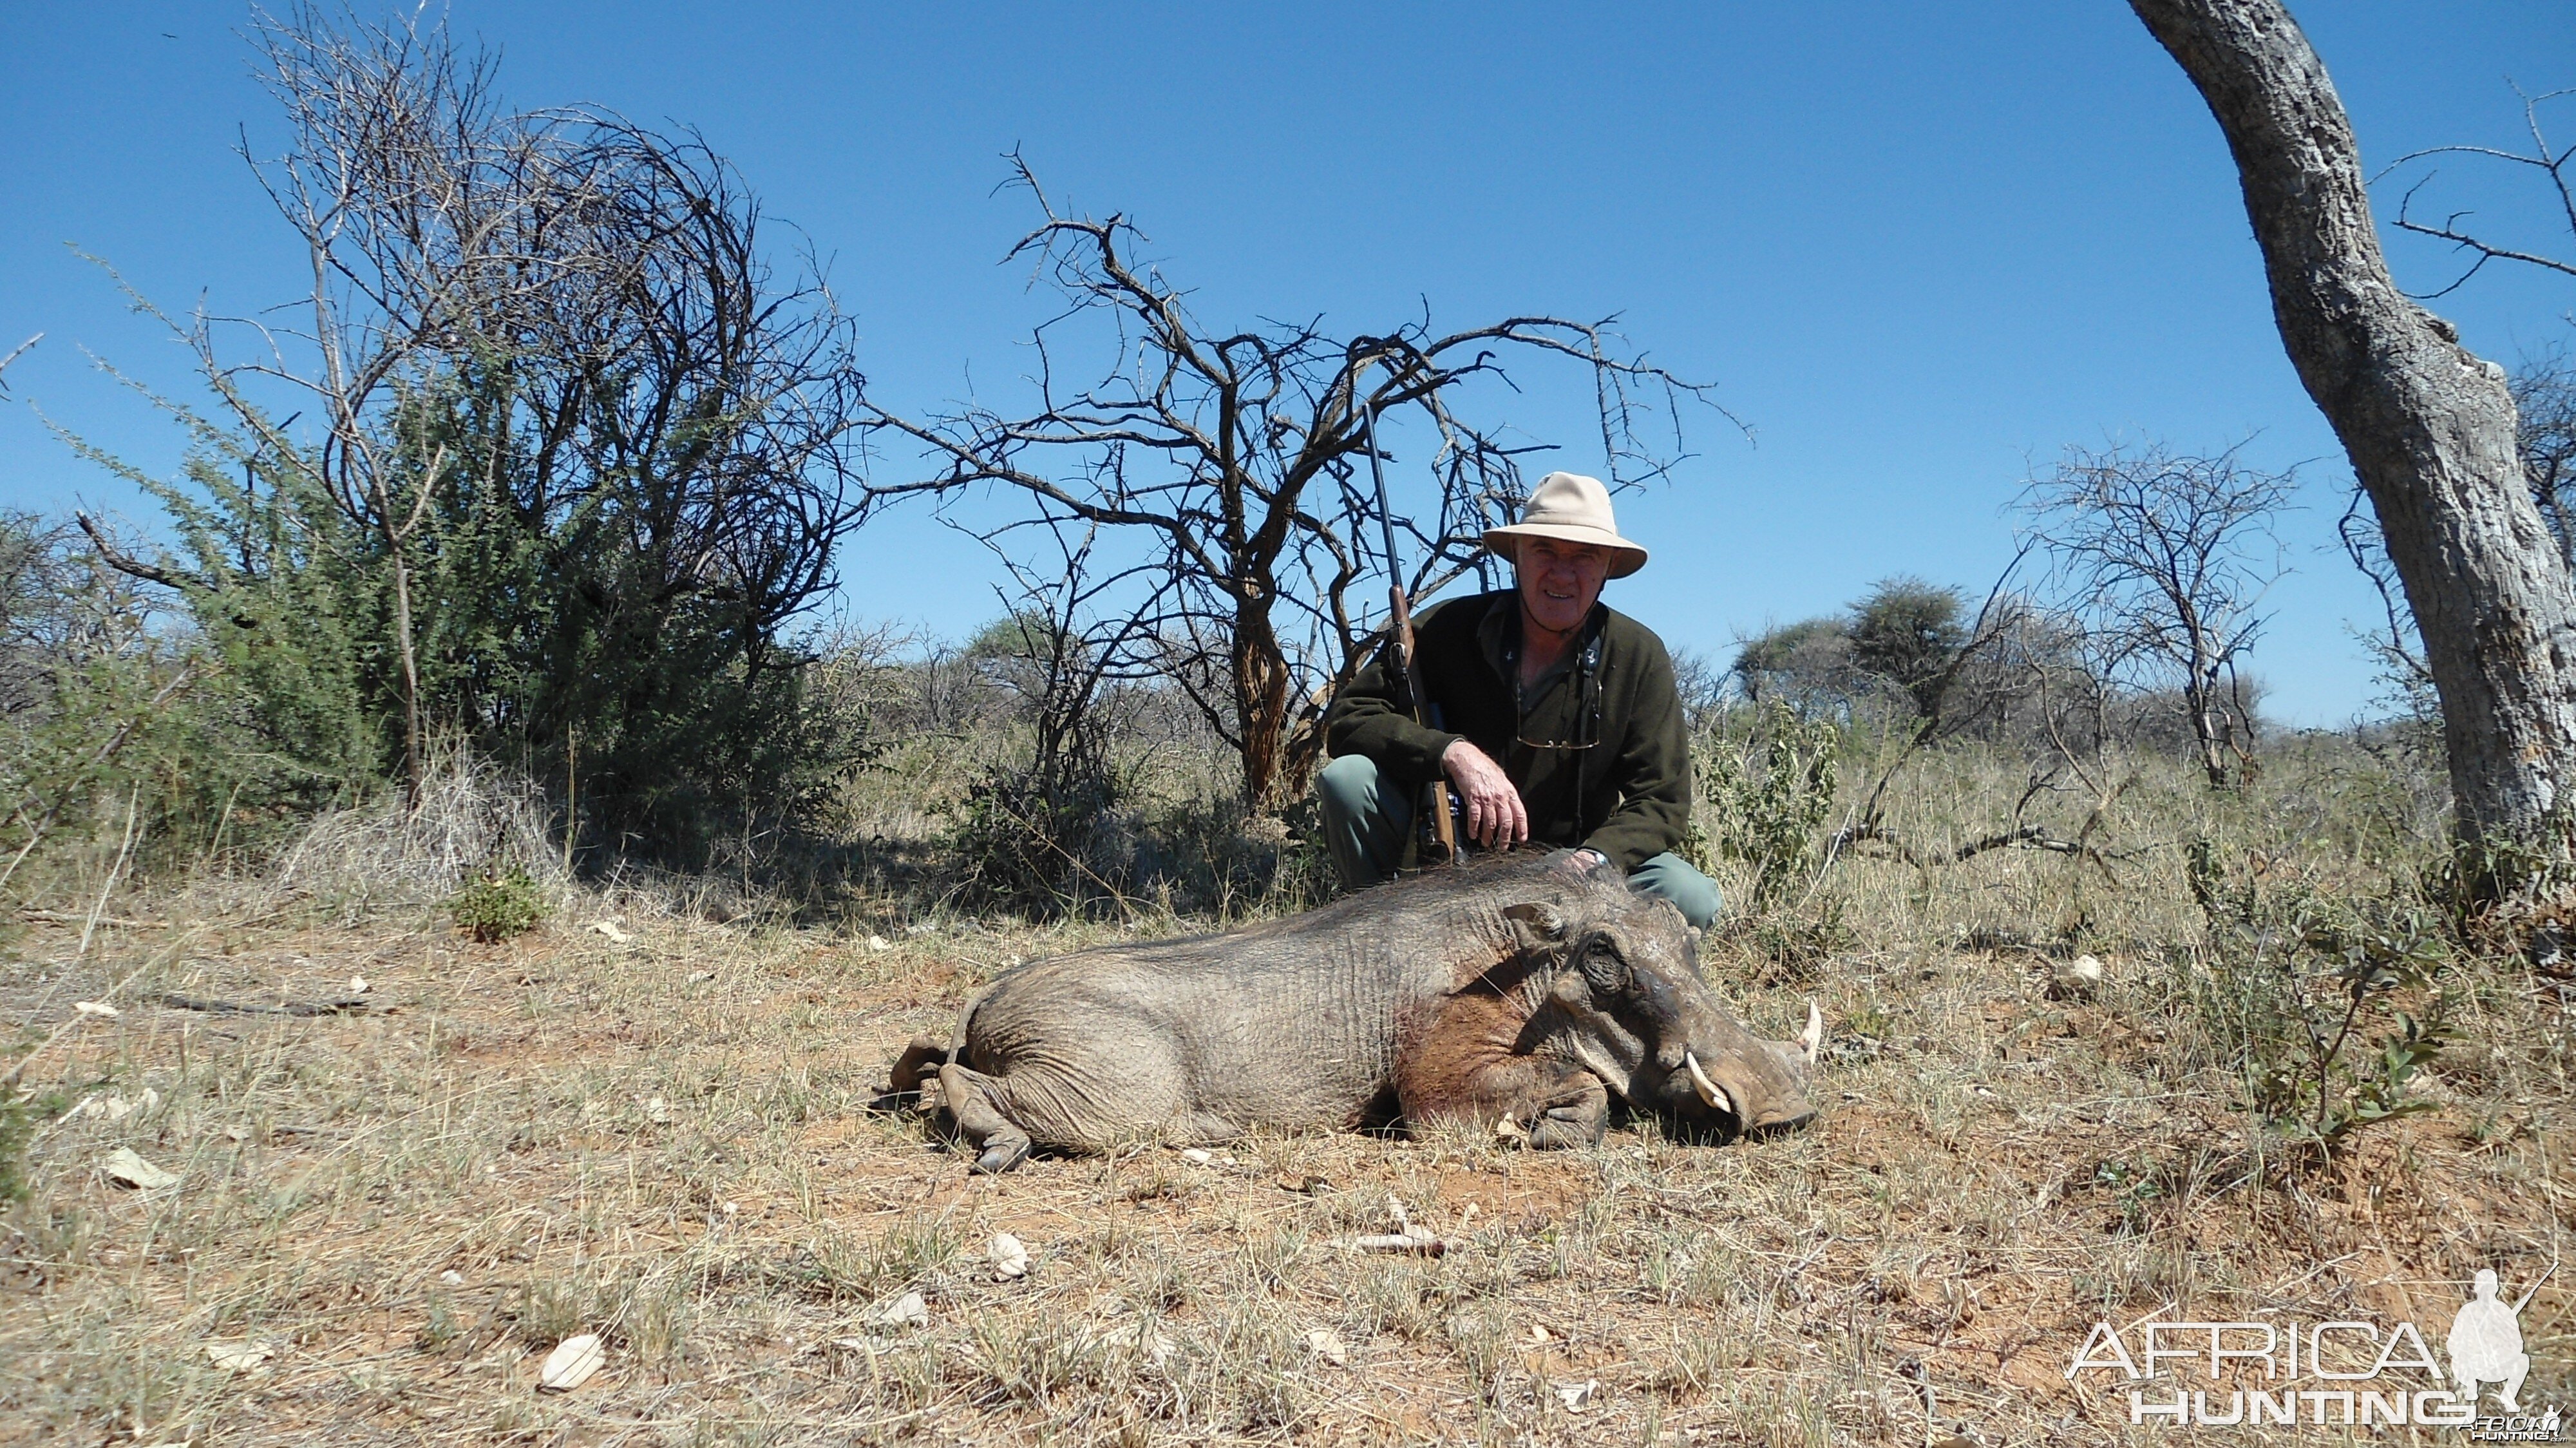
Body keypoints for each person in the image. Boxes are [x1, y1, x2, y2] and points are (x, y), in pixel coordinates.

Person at [1318, 470, 1724, 928]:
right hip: (1448, 853)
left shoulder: (1639, 655)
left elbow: (1662, 801)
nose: (1562, 573)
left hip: (1576, 868)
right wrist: (1453, 753)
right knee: (1348, 780)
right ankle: (1376, 941)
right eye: (1545, 550)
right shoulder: (1444, 628)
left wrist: (1593, 858)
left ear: (1608, 566)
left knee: (1689, 896)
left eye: (1585, 556)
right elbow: (1351, 718)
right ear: (1518, 557)